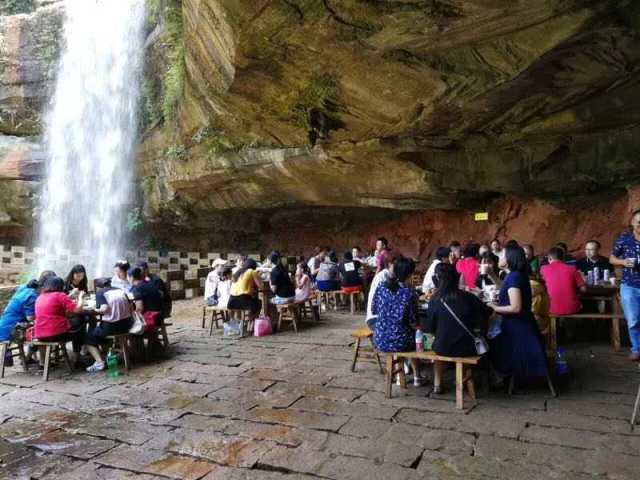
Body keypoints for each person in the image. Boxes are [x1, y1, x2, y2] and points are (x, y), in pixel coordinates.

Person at [424, 263, 491, 393]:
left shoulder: (434, 300)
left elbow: (430, 328)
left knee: (439, 342)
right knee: (466, 341)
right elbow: (487, 313)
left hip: (442, 347)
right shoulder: (468, 297)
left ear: (437, 279)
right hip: (467, 348)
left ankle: (437, 383)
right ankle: (463, 379)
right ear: (456, 278)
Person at [488, 245, 550, 384]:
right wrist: (492, 274)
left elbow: (516, 307)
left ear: (510, 259)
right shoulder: (516, 275)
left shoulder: (514, 277)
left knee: (486, 343)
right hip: (524, 324)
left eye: (503, 255)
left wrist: (494, 307)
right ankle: (502, 376)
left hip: (516, 329)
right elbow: (504, 287)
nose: (500, 257)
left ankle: (500, 376)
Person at [371, 257, 422, 386]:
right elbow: (414, 320)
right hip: (400, 341)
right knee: (418, 336)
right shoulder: (409, 292)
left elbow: (374, 309)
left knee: (408, 332)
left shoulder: (382, 286)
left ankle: (404, 375)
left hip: (380, 338)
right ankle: (417, 376)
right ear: (410, 274)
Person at [34, 276, 86, 365]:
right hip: (56, 335)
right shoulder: (60, 295)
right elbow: (78, 310)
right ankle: (77, 357)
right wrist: (81, 297)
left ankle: (42, 363)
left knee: (72, 323)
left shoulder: (40, 297)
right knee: (80, 324)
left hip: (40, 334)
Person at [84, 278, 133, 373]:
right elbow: (130, 305)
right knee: (100, 331)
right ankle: (111, 355)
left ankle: (99, 363)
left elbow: (104, 309)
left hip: (112, 327)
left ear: (98, 287)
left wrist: (94, 310)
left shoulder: (101, 292)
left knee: (88, 338)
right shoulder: (119, 290)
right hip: (127, 325)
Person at [610, 209, 640, 361]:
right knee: (633, 319)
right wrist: (623, 262)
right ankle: (636, 349)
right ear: (632, 223)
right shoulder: (624, 239)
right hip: (629, 285)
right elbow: (612, 258)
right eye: (638, 221)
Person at [540, 247, 586, 316]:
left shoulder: (543, 269)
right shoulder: (572, 269)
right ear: (563, 258)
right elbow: (584, 289)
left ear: (549, 259)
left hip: (551, 308)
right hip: (572, 308)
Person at [129, 267, 164, 333]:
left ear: (132, 277)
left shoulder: (137, 289)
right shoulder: (151, 284)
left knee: (128, 324)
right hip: (160, 316)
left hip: (150, 318)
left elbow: (139, 309)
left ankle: (138, 343)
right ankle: (153, 340)